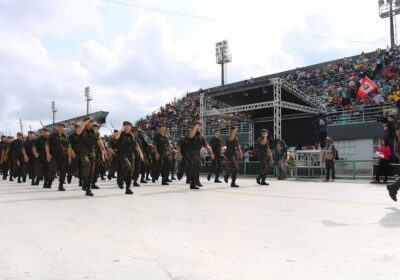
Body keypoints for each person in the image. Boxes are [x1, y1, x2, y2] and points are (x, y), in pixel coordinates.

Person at [75, 117, 106, 196]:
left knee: (91, 172)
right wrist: (85, 122)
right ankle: (85, 182)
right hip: (83, 152)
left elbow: (100, 143)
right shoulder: (81, 129)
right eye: (88, 122)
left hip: (92, 153)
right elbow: (78, 132)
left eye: (91, 122)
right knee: (86, 163)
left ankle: (88, 188)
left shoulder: (95, 132)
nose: (89, 123)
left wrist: (103, 152)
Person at [114, 121, 143, 194]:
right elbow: (116, 137)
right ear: (124, 126)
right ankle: (121, 179)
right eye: (127, 125)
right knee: (128, 166)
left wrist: (140, 153)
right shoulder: (121, 134)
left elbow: (136, 145)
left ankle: (128, 188)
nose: (129, 127)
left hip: (131, 155)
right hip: (122, 155)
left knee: (130, 172)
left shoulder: (132, 135)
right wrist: (122, 128)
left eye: (130, 126)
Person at [186, 122, 214, 189]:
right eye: (197, 126)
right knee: (196, 166)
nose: (198, 127)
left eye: (199, 126)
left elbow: (206, 145)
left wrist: (212, 153)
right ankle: (193, 183)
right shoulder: (190, 133)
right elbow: (191, 136)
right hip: (191, 152)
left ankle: (194, 182)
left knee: (197, 168)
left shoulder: (201, 136)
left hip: (198, 153)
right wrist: (195, 127)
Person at [45, 123, 71, 191]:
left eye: (62, 127)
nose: (61, 128)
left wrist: (69, 156)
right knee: (53, 170)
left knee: (63, 171)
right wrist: (48, 154)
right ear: (57, 128)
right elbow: (47, 145)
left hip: (63, 156)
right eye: (59, 127)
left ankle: (61, 185)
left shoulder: (65, 136)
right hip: (54, 156)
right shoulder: (52, 136)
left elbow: (68, 147)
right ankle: (50, 181)